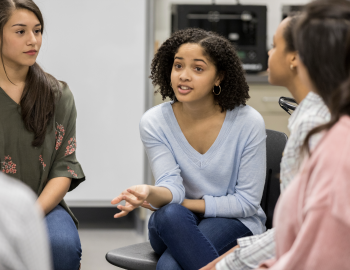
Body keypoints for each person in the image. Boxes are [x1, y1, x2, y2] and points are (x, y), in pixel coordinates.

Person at [111, 28, 267, 270]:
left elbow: (246, 203)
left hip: (234, 221)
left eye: (198, 68)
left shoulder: (248, 122)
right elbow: (171, 186)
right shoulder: (155, 122)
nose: (183, 76)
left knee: (170, 265)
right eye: (178, 66)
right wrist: (150, 192)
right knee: (169, 215)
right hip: (172, 222)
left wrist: (185, 204)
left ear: (219, 77)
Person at [201, 14, 331, 270]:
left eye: (274, 46)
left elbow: (296, 233)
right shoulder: (316, 116)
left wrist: (223, 266)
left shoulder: (313, 126)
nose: (268, 54)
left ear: (293, 58)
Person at [255, 0, 350, 268]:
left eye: (275, 46)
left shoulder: (321, 131)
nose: (269, 54)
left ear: (299, 57)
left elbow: (309, 245)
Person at [0, 1, 85, 269]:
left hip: (43, 205)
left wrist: (28, 217)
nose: (33, 40)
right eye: (20, 31)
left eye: (37, 31)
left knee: (61, 246)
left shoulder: (58, 94)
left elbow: (64, 168)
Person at [0, 172, 52, 270]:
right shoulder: (19, 203)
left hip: (39, 204)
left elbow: (62, 174)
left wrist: (31, 214)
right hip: (25, 206)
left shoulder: (18, 203)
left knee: (64, 242)